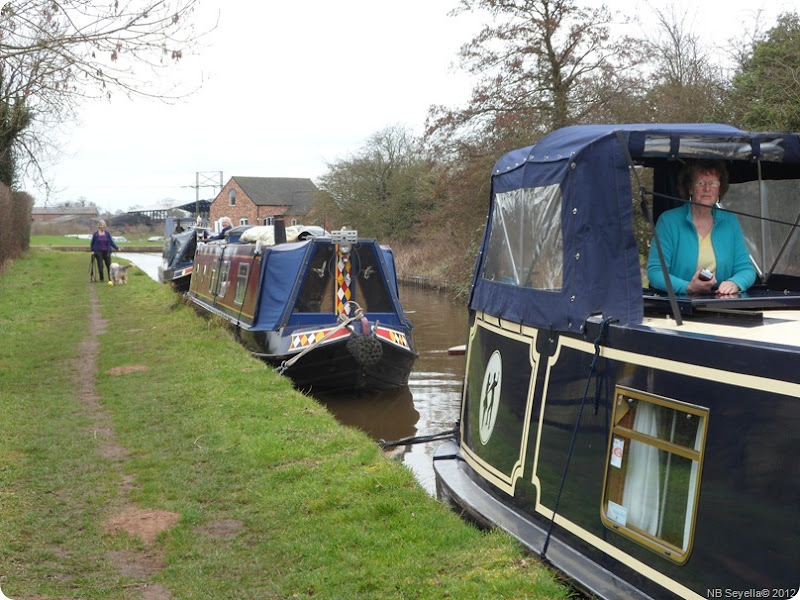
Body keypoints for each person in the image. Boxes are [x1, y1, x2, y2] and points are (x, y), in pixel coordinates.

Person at [647, 160, 756, 296]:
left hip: (721, 303)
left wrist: (735, 283)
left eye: (713, 183)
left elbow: (746, 269)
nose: (707, 188)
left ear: (719, 189)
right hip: (678, 305)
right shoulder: (668, 221)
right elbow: (655, 272)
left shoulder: (730, 221)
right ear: (690, 188)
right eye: (700, 183)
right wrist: (687, 287)